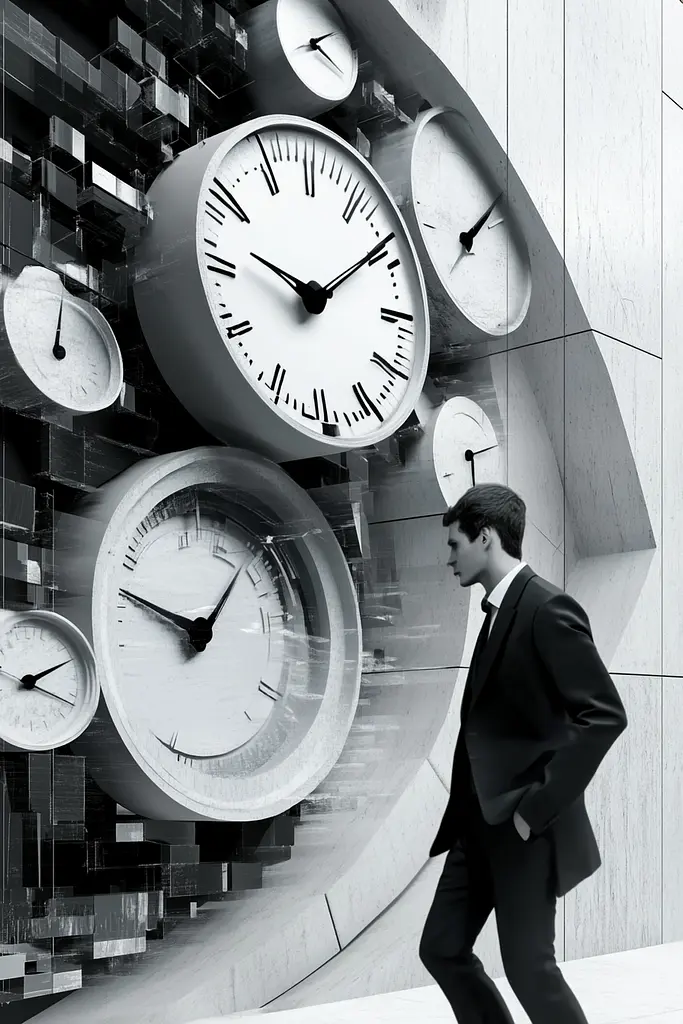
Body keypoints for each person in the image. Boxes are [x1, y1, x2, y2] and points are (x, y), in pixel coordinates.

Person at [419, 483, 628, 1024]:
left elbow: (604, 715)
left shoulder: (545, 607)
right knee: (441, 947)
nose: (449, 559)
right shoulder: (495, 611)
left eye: (454, 545)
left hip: (522, 826)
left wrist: (534, 810)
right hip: (477, 826)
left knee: (529, 968)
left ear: (485, 538)